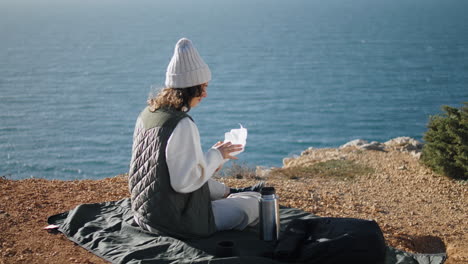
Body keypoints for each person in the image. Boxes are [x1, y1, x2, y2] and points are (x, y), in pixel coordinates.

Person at [128, 38, 264, 239]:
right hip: (174, 222)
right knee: (257, 202)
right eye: (203, 87)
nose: (205, 94)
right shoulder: (182, 124)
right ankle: (231, 196)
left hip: (144, 213)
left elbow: (167, 171)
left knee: (232, 195)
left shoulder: (148, 113)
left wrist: (214, 160)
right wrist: (216, 156)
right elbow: (184, 183)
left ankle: (227, 193)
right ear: (190, 87)